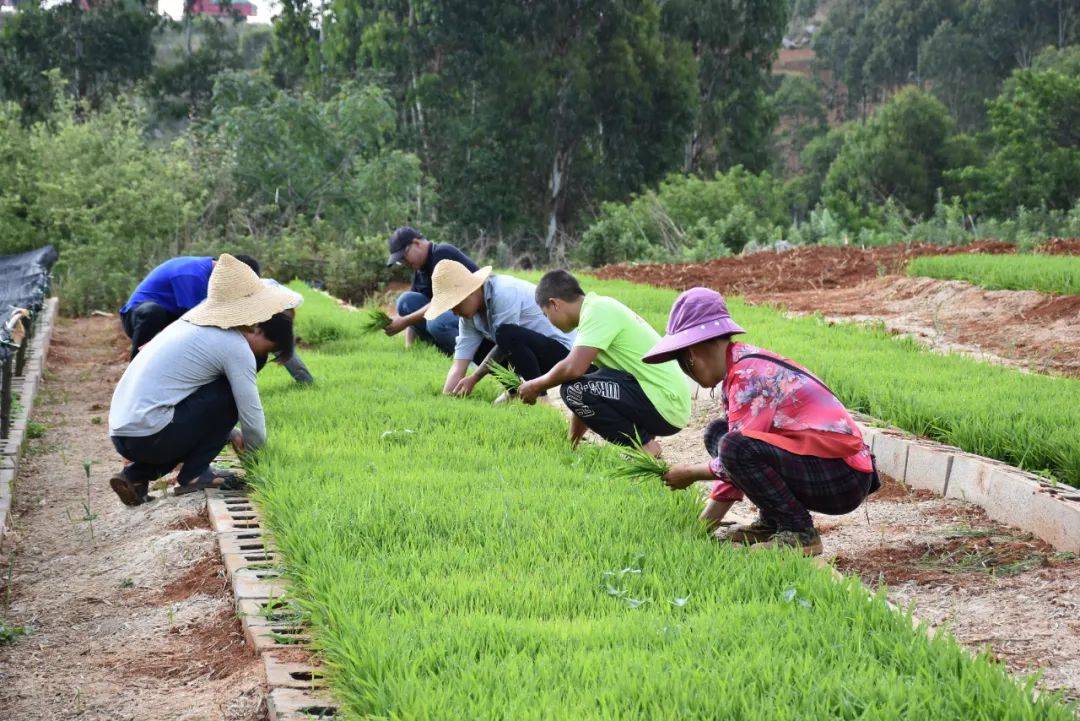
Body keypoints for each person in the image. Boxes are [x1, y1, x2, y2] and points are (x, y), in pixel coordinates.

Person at [644, 287, 879, 556]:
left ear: (692, 353)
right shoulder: (739, 367)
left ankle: (799, 533)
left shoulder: (748, 376)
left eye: (682, 361)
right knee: (719, 434)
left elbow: (737, 455)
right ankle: (774, 523)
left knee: (732, 445)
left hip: (842, 477)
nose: (686, 370)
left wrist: (691, 472)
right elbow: (735, 462)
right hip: (831, 468)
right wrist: (702, 529)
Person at [107, 254, 298, 506]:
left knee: (185, 424)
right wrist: (257, 459)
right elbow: (251, 414)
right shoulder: (234, 346)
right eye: (266, 348)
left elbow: (193, 405)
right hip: (148, 434)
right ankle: (195, 474)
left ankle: (136, 477)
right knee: (230, 394)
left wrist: (229, 434)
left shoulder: (192, 322)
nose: (261, 355)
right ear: (257, 327)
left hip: (125, 432)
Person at [517, 270, 690, 455]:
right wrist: (571, 446)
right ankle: (643, 440)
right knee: (580, 386)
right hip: (667, 402)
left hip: (666, 403)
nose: (548, 321)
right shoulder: (597, 309)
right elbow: (584, 385)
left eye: (545, 314)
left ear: (554, 304)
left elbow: (572, 369)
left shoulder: (597, 311)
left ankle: (645, 447)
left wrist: (535, 385)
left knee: (572, 389)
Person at [119, 254, 313, 383]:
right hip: (142, 319)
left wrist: (303, 378)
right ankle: (136, 375)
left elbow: (272, 329)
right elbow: (195, 325)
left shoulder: (220, 281)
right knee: (154, 313)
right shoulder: (192, 275)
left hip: (174, 319)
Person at [423, 260, 574, 400]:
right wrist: (448, 398)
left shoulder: (504, 292)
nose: (455, 312)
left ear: (471, 291)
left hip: (564, 355)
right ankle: (514, 390)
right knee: (478, 347)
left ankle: (540, 397)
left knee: (506, 334)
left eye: (456, 305)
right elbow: (460, 363)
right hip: (531, 356)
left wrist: (474, 378)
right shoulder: (469, 318)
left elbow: (506, 343)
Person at [383, 227, 480, 355]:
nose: (404, 263)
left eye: (403, 257)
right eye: (400, 261)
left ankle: (474, 358)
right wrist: (409, 348)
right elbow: (413, 314)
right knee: (405, 301)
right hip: (453, 317)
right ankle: (441, 349)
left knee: (436, 322)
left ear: (416, 243)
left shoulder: (442, 253)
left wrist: (404, 321)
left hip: (475, 317)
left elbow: (442, 301)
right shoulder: (420, 269)